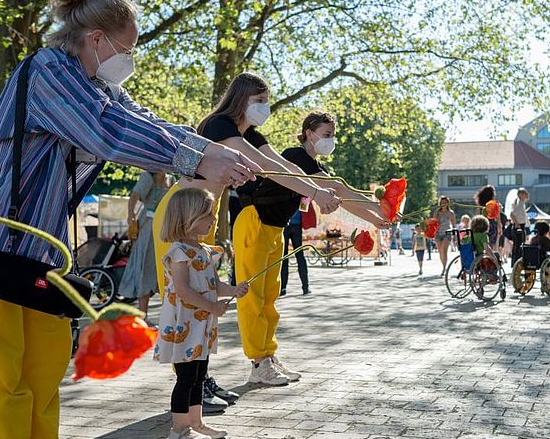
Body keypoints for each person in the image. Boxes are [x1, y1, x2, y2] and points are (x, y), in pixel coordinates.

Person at [0, 0, 258, 439]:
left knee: (46, 366)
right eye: (128, 48)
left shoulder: (96, 87)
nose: (129, 60)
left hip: (40, 248)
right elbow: (110, 135)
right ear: (96, 40)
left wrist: (207, 152)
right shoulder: (49, 70)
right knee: (5, 372)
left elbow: (142, 121)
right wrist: (198, 155)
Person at [152, 73, 341, 402]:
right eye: (260, 101)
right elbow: (265, 166)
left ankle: (199, 382)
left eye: (267, 101)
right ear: (241, 99)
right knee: (185, 304)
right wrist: (313, 191)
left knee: (204, 303)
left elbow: (281, 164)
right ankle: (189, 390)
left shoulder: (250, 132)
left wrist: (319, 189)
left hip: (202, 220)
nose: (265, 108)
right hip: (178, 217)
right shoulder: (219, 126)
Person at [233, 112, 385, 385]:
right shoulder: (296, 155)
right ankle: (258, 362)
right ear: (309, 133)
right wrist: (378, 208)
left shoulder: (312, 163)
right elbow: (335, 187)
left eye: (332, 136)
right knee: (252, 298)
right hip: (254, 222)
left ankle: (267, 356)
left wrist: (377, 219)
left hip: (274, 229)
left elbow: (338, 196)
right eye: (326, 135)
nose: (331, 141)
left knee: (269, 299)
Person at [154, 188, 249, 439]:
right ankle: (179, 430)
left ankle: (196, 423)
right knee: (185, 377)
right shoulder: (179, 252)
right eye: (207, 214)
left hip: (201, 325)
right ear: (188, 217)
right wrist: (212, 306)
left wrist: (233, 291)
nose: (213, 219)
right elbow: (183, 290)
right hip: (184, 322)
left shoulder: (204, 250)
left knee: (199, 375)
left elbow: (214, 284)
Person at [118, 171, 174, 317]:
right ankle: (143, 315)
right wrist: (131, 216)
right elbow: (134, 196)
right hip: (148, 226)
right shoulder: (148, 177)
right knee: (145, 265)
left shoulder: (171, 179)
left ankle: (167, 316)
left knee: (165, 267)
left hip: (164, 225)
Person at [279, 210, 308, 296]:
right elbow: (305, 206)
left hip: (284, 223)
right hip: (297, 224)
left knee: (284, 257)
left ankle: (282, 288)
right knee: (299, 255)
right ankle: (305, 286)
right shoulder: (303, 195)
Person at [474, 185, 502, 251]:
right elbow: (497, 216)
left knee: (483, 243)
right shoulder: (494, 203)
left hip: (481, 224)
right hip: (491, 224)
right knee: (493, 244)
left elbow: (477, 214)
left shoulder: (480, 203)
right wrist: (500, 226)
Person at [434, 196, 456, 274]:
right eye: (442, 203)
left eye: (445, 202)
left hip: (447, 233)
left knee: (444, 250)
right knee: (440, 252)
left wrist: (455, 236)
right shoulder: (437, 212)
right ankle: (443, 265)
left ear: (448, 203)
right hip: (438, 233)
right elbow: (434, 222)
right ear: (440, 203)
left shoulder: (451, 213)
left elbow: (453, 224)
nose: (444, 204)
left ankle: (444, 268)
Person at [509, 188, 530, 266]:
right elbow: (512, 214)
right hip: (519, 226)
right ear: (521, 195)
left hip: (520, 225)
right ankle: (517, 263)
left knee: (517, 246)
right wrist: (517, 223)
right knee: (519, 246)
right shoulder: (520, 204)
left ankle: (515, 263)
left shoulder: (521, 203)